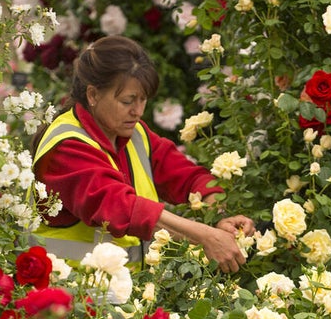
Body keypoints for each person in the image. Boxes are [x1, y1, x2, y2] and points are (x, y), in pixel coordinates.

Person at [30, 36, 254, 272]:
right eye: (127, 101)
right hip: (66, 296)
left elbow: (187, 176)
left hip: (118, 294)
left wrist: (219, 214)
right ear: (93, 95)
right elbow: (122, 208)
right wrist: (206, 236)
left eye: (143, 99)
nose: (137, 111)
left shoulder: (132, 132)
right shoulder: (66, 146)